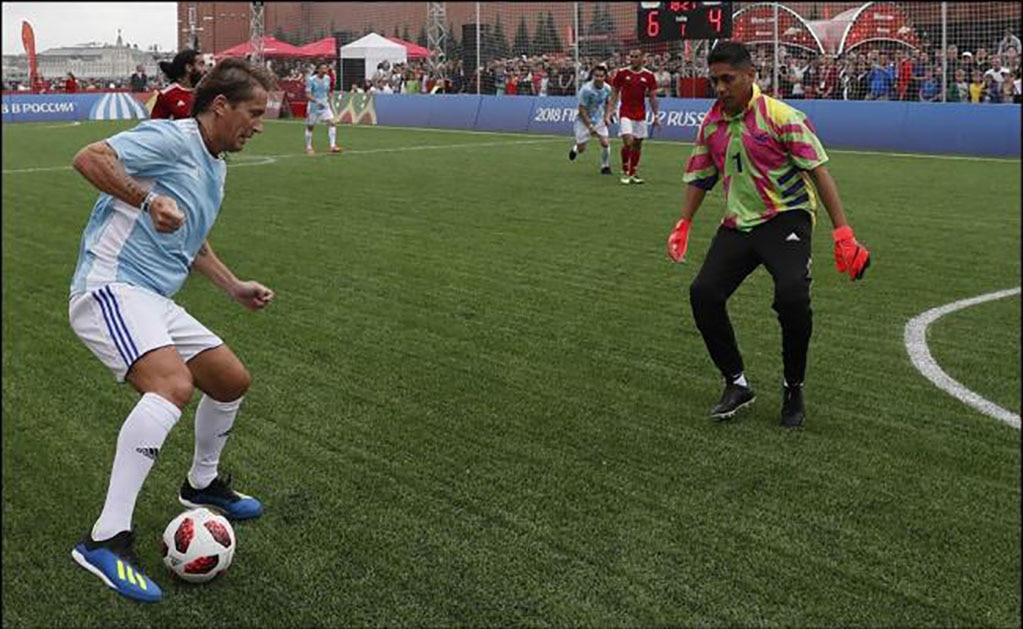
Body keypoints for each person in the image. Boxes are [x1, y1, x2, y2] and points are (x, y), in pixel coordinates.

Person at [67, 58, 276, 603]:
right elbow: (91, 157)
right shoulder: (173, 138)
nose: (259, 124)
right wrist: (146, 199)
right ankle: (104, 539)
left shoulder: (217, 165)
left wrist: (232, 286)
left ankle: (201, 483)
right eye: (253, 112)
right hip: (109, 286)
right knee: (172, 386)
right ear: (221, 106)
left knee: (230, 380)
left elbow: (193, 243)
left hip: (153, 299)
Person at [666, 41, 871, 428]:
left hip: (785, 219)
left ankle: (793, 387)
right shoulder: (711, 125)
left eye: (728, 79)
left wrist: (843, 233)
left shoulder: (782, 116)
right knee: (703, 294)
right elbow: (701, 176)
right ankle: (736, 382)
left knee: (792, 297)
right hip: (739, 224)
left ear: (751, 75)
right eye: (714, 81)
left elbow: (818, 172)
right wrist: (684, 223)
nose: (721, 88)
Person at [606, 49, 660, 185]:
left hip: (640, 114)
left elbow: (653, 97)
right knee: (628, 141)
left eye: (636, 57)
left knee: (638, 144)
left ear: (642, 58)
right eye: (631, 56)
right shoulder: (622, 73)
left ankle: (633, 172)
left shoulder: (648, 75)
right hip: (625, 112)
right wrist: (610, 110)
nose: (632, 59)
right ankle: (626, 171)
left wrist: (656, 115)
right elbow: (614, 92)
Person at [568, 64, 613, 175]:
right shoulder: (586, 90)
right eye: (596, 76)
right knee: (582, 148)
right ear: (593, 76)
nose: (598, 78)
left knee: (605, 143)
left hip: (598, 119)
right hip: (583, 121)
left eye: (601, 76)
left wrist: (607, 117)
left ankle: (605, 167)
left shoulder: (607, 88)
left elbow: (608, 103)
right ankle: (575, 148)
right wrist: (590, 126)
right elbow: (582, 109)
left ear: (605, 77)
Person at [150, 49, 206, 119]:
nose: (205, 69)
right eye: (201, 64)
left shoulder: (207, 92)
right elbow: (157, 126)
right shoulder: (167, 95)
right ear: (188, 67)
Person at [305, 63, 341, 154]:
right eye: (323, 68)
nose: (325, 70)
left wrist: (329, 99)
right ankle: (309, 147)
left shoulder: (327, 78)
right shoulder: (311, 80)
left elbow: (327, 91)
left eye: (326, 68)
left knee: (332, 123)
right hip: (314, 106)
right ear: (318, 69)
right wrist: (317, 101)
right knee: (310, 126)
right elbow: (308, 95)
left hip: (325, 106)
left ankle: (332, 146)